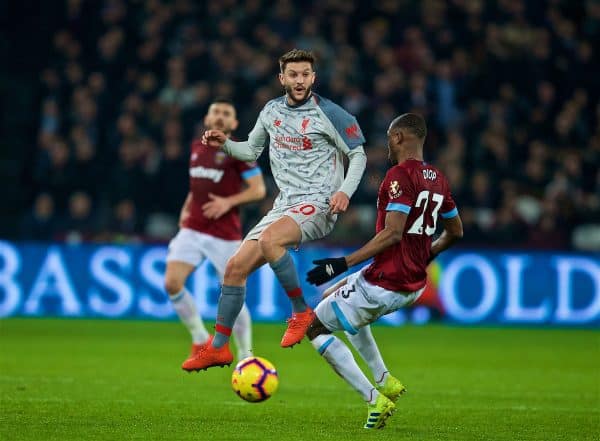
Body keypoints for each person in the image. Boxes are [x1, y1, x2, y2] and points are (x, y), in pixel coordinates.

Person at [182, 49, 367, 371]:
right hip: (285, 204)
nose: (299, 80)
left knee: (270, 241)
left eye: (305, 74)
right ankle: (219, 348)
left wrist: (344, 192)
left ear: (313, 77)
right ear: (282, 78)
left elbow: (359, 155)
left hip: (320, 200)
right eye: (293, 75)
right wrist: (225, 143)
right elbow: (252, 149)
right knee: (234, 268)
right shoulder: (270, 111)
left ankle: (300, 311)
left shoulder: (332, 114)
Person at [305, 113, 463, 429]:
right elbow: (455, 231)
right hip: (413, 283)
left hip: (386, 282)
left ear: (400, 137)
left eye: (390, 136)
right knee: (331, 295)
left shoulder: (398, 176)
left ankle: (374, 400)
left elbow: (392, 233)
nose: (388, 143)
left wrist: (342, 263)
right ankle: (385, 379)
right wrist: (422, 258)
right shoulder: (439, 179)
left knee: (314, 327)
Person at [164, 99, 266, 368]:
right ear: (208, 119)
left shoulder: (239, 152)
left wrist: (228, 202)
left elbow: (258, 190)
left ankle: (245, 354)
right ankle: (200, 338)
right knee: (172, 283)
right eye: (216, 112)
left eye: (226, 114)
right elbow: (196, 186)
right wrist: (187, 208)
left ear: (233, 124)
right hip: (193, 229)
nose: (220, 117)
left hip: (224, 235)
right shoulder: (196, 148)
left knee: (233, 293)